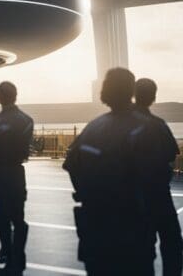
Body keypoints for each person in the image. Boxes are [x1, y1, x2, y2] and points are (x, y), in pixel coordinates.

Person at [63, 68, 160, 276]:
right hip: (132, 229)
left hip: (96, 230)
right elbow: (156, 178)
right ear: (131, 91)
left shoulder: (92, 128)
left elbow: (70, 165)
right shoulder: (146, 128)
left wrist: (86, 192)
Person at [0, 81, 33, 276]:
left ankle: (14, 257)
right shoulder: (25, 120)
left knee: (6, 216)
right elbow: (23, 148)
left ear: (2, 96)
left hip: (0, 171)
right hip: (12, 171)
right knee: (11, 215)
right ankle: (10, 253)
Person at [134, 78, 182, 276]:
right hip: (159, 193)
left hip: (133, 195)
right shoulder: (158, 124)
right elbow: (172, 152)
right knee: (172, 242)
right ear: (153, 96)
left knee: (142, 247)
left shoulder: (120, 124)